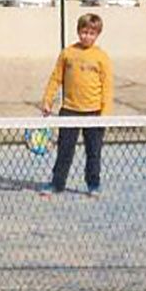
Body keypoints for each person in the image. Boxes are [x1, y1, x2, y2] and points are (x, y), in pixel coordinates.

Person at [39, 12, 114, 197]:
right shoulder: (67, 54)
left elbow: (107, 86)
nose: (86, 36)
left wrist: (105, 114)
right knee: (64, 151)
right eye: (84, 32)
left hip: (94, 113)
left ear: (97, 35)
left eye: (91, 33)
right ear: (78, 31)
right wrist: (47, 100)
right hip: (69, 111)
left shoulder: (101, 57)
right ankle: (57, 183)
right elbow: (56, 78)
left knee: (94, 152)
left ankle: (93, 184)